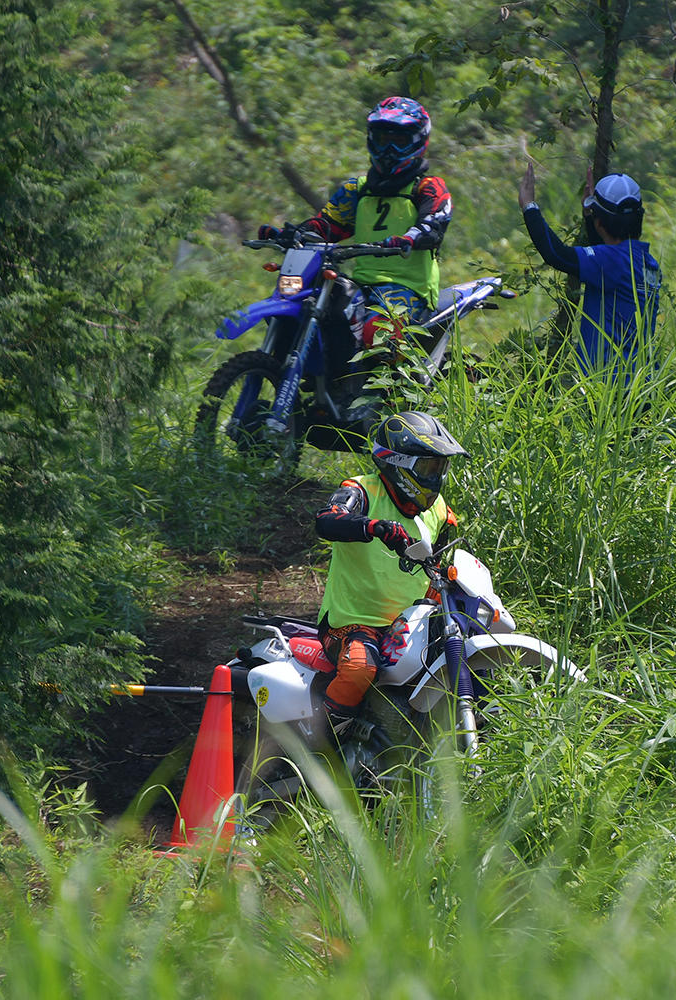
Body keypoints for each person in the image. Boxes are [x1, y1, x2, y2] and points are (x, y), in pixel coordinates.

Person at [258, 97, 453, 397]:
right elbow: (328, 226)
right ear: (370, 139)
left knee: (378, 334)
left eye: (398, 139)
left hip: (407, 288)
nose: (389, 149)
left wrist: (411, 237)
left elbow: (435, 223)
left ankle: (392, 401)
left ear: (417, 141)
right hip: (362, 284)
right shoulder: (357, 190)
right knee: (312, 313)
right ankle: (327, 386)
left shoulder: (426, 187)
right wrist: (293, 233)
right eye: (382, 138)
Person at [312, 410, 466, 741]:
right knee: (359, 669)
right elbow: (326, 520)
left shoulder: (440, 512)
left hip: (410, 625)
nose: (434, 477)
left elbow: (439, 566)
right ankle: (318, 747)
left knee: (460, 651)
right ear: (398, 463)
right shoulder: (361, 491)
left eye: (439, 467)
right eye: (427, 467)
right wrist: (374, 527)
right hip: (351, 624)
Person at [517, 163, 661, 378]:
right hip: (641, 385)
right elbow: (604, 259)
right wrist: (590, 215)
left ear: (600, 222)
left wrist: (529, 206)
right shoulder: (646, 262)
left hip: (611, 391)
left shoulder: (612, 262)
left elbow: (556, 255)